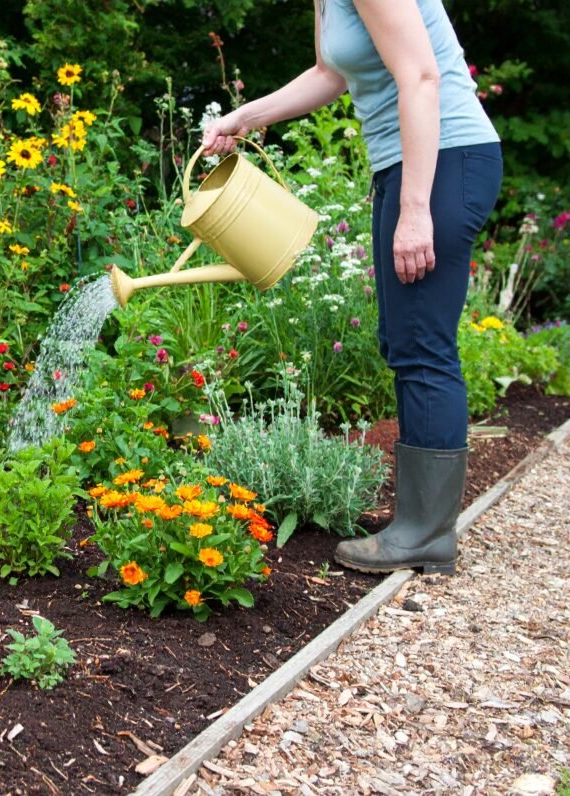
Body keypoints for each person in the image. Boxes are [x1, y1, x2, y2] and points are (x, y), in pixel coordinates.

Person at [201, 0, 502, 575]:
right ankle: (420, 523)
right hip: (407, 163)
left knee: (422, 346)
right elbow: (330, 75)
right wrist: (245, 117)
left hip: (444, 160)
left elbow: (420, 75)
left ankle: (425, 533)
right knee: (403, 340)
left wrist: (416, 210)